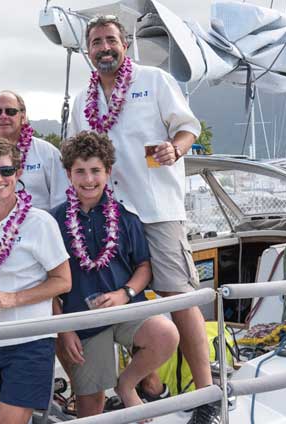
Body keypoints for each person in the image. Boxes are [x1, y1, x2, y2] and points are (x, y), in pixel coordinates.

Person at [68, 15, 219, 424]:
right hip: (110, 216)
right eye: (96, 41)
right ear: (88, 50)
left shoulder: (154, 79)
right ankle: (150, 388)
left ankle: (207, 396)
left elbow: (187, 128)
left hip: (157, 211)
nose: (104, 47)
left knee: (177, 296)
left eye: (111, 40)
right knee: (120, 303)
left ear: (125, 42)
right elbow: (81, 154)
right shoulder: (84, 101)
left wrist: (176, 148)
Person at [51, 131, 179, 419]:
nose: (88, 180)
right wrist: (65, 329)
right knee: (90, 404)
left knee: (166, 334)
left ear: (108, 172)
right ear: (69, 174)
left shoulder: (125, 218)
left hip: (126, 308)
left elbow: (143, 267)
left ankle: (127, 384)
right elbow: (49, 284)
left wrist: (125, 293)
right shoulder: (54, 221)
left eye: (96, 170)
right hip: (81, 320)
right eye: (80, 171)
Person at [0, 139, 71, 424]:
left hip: (29, 339)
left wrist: (11, 298)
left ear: (18, 172)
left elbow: (63, 281)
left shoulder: (40, 222)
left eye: (6, 171)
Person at [0, 90, 68, 217]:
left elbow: (62, 201)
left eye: (10, 111)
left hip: (38, 231)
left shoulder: (48, 153)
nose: (3, 116)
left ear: (23, 116)